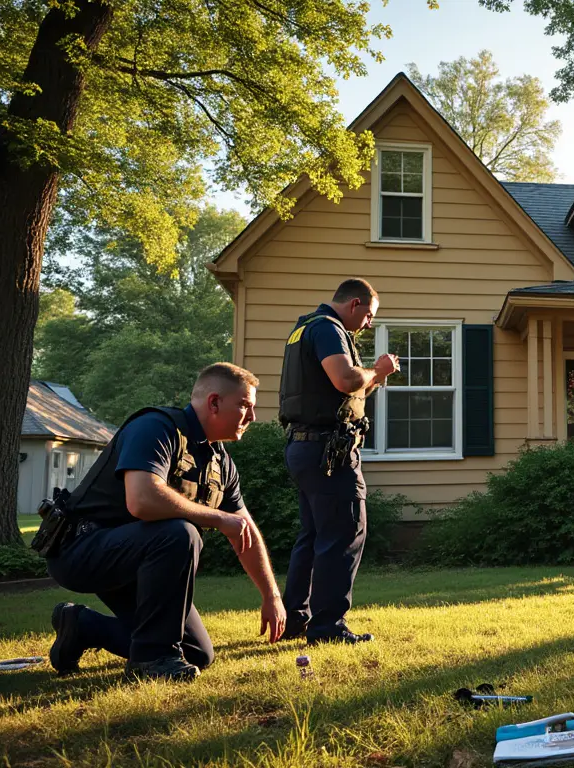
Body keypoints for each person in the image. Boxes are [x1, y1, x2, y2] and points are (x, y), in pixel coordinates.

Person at [45, 363, 284, 682]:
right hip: (82, 549)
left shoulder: (221, 464)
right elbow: (142, 500)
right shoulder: (156, 427)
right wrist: (217, 517)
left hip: (135, 562)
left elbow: (245, 532)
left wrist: (272, 596)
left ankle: (83, 626)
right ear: (214, 402)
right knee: (180, 532)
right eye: (244, 405)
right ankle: (152, 660)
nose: (252, 417)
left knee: (197, 654)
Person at [278, 278, 399, 645]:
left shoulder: (303, 330)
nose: (368, 324)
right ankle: (328, 627)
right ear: (355, 303)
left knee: (313, 535)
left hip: (304, 447)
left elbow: (345, 389)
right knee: (345, 531)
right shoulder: (330, 330)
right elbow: (347, 380)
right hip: (328, 451)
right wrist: (378, 370)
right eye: (369, 316)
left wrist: (375, 379)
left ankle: (296, 617)